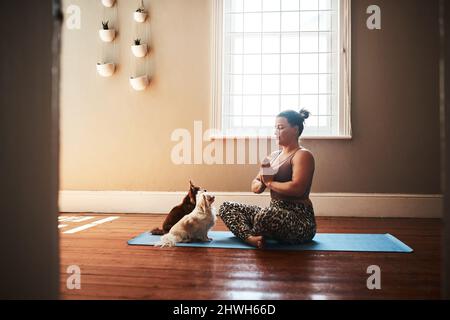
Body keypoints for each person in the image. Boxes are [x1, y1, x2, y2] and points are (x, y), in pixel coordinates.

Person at [218, 109, 316, 248]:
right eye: (275, 128)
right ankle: (251, 238)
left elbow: (297, 189)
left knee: (265, 215)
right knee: (227, 207)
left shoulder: (303, 155)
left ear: (295, 129)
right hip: (273, 211)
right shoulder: (273, 156)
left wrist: (269, 182)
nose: (276, 131)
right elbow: (255, 185)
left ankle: (247, 232)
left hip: (299, 219)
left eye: (280, 128)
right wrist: (262, 183)